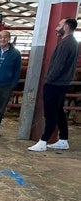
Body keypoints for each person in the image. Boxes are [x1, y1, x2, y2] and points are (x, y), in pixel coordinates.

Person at [28, 18, 79, 151]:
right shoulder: (72, 42)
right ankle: (63, 139)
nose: (57, 28)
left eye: (59, 25)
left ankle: (43, 142)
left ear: (66, 27)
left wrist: (49, 78)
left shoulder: (66, 44)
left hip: (55, 83)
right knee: (59, 111)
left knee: (50, 113)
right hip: (62, 83)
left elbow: (58, 65)